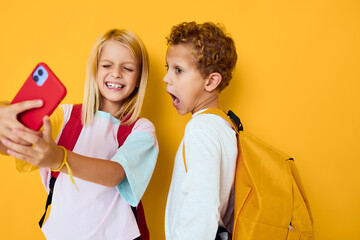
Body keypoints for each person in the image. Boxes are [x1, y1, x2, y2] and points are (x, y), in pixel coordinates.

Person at [0, 29, 158, 240]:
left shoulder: (141, 129)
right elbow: (15, 140)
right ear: (94, 71)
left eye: (127, 68)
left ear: (139, 79)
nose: (116, 73)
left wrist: (60, 159)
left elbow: (115, 175)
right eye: (106, 65)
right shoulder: (65, 116)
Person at [163, 21, 238, 239]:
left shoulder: (201, 129)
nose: (166, 78)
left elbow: (202, 207)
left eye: (178, 70)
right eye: (167, 68)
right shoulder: (225, 127)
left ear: (211, 81)